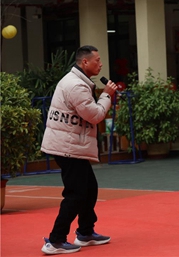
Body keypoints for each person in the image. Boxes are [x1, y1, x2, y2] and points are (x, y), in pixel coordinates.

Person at [40, 45, 117, 255]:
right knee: (76, 193)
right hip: (67, 147)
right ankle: (55, 241)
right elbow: (95, 115)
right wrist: (107, 95)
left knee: (89, 188)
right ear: (85, 62)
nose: (100, 64)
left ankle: (85, 232)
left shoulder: (78, 81)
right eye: (97, 60)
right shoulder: (76, 86)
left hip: (70, 144)